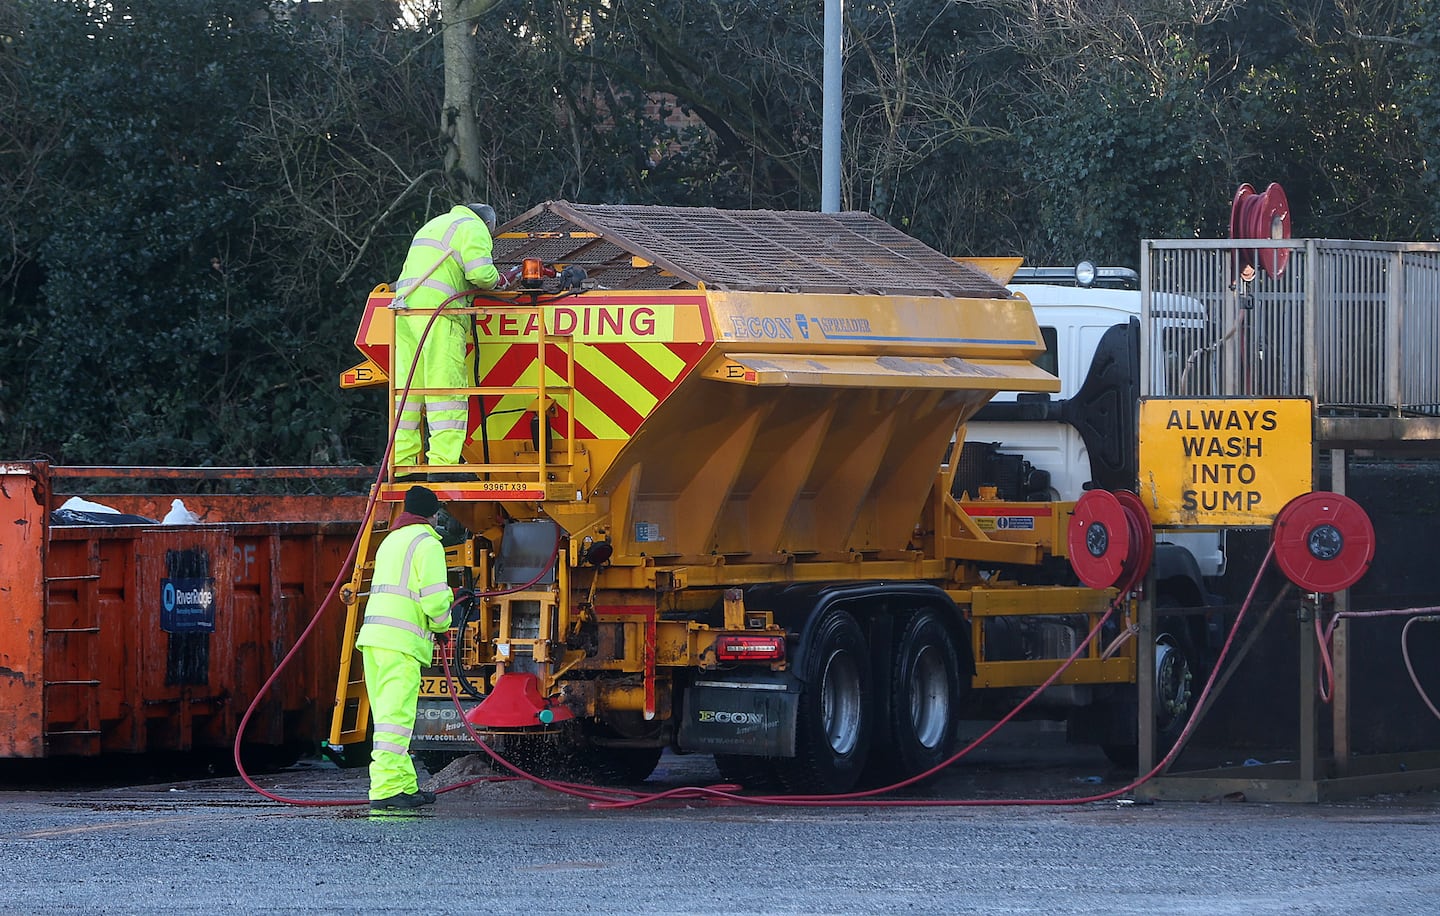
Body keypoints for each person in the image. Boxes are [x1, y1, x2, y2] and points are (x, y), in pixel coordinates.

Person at [355, 485, 455, 809]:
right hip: (401, 643)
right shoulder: (427, 544)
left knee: (389, 719)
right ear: (433, 514)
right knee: (396, 721)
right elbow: (437, 600)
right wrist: (443, 626)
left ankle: (405, 786)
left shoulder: (391, 541)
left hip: (375, 640)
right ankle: (385, 791)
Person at [391, 203, 502, 481]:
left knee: (408, 393)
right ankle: (443, 466)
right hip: (441, 315)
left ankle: (403, 467)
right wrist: (499, 279)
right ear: (488, 224)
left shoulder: (435, 224)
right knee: (445, 392)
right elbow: (480, 274)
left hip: (406, 313)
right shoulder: (473, 227)